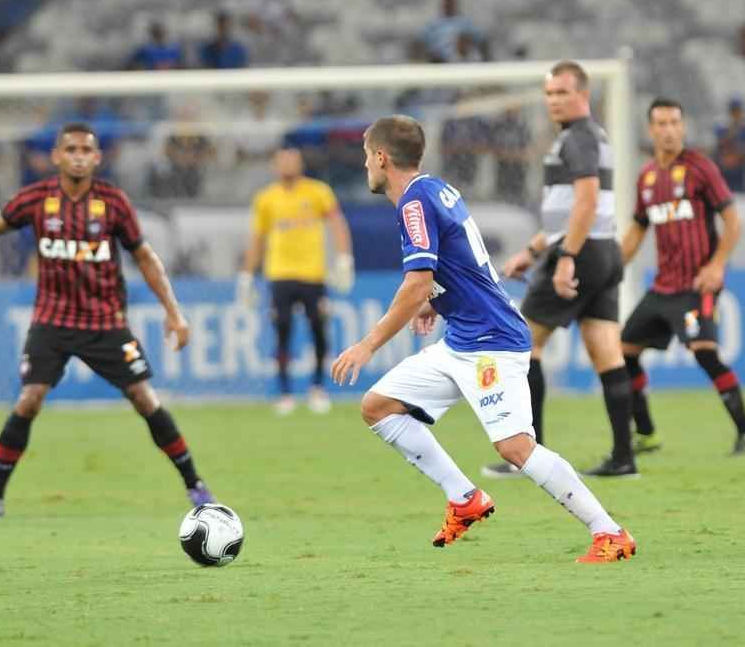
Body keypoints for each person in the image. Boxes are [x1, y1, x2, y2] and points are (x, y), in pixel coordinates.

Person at [331, 115, 635, 563]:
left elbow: (417, 281)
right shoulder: (435, 190)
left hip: (490, 342)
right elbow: (463, 262)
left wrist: (368, 344)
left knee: (515, 447)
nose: (365, 168)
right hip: (462, 339)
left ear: (381, 157)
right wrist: (439, 301)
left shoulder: (415, 203)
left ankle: (609, 532)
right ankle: (463, 497)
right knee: (378, 406)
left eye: (365, 158)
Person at [0, 123, 214, 518]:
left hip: (105, 322)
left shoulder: (112, 202)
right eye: (70, 148)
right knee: (29, 399)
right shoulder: (37, 199)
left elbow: (144, 257)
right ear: (56, 156)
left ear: (96, 158)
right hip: (51, 322)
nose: (77, 155)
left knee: (144, 398)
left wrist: (174, 312)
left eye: (85, 150)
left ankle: (195, 486)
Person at [484, 61, 636, 479]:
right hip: (604, 250)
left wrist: (566, 256)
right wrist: (533, 251)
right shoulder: (589, 137)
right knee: (606, 351)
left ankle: (529, 455)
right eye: (549, 93)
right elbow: (568, 210)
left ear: (582, 95)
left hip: (582, 252)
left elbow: (584, 201)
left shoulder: (577, 139)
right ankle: (624, 457)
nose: (554, 101)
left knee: (522, 345)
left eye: (562, 93)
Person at [620, 99, 745, 455]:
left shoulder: (701, 168)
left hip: (696, 285)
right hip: (662, 286)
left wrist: (716, 266)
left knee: (704, 352)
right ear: (650, 130)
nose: (668, 130)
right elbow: (638, 229)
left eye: (674, 122)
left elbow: (733, 220)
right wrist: (612, 266)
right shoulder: (647, 178)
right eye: (661, 123)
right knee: (625, 351)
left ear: (682, 127)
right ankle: (648, 434)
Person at [239, 148, 355, 415]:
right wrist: (246, 275)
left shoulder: (318, 192)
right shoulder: (266, 199)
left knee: (318, 330)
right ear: (274, 166)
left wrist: (343, 258)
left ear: (300, 164)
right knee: (282, 330)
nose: (288, 165)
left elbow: (338, 224)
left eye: (292, 161)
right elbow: (257, 239)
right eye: (283, 161)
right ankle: (284, 392)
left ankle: (317, 387)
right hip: (279, 274)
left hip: (313, 274)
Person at [423, 0, 489, 64]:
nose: (449, 4)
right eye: (447, 2)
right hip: (438, 61)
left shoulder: (465, 23)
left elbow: (481, 40)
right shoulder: (434, 24)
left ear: (455, 3)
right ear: (442, 4)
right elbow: (421, 41)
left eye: (451, 2)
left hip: (462, 59)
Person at [713, 98, 745, 192]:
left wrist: (742, 148)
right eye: (734, 111)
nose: (736, 114)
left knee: (741, 190)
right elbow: (719, 143)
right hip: (725, 164)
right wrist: (732, 131)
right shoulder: (723, 126)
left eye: (738, 111)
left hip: (741, 164)